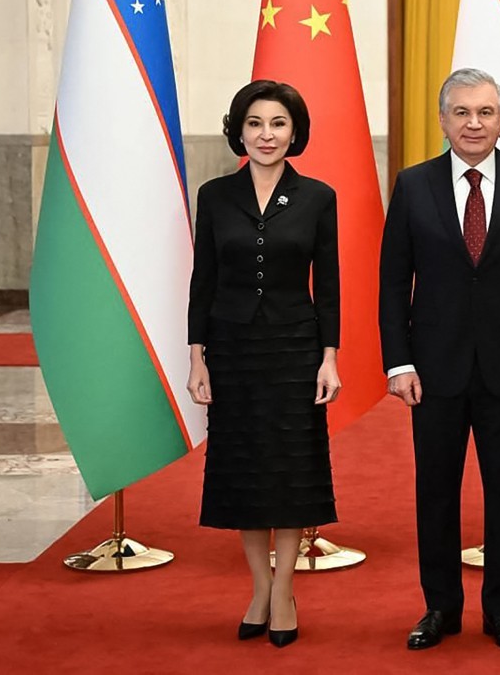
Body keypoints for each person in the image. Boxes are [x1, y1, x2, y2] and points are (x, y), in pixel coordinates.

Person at [379, 68, 500, 653]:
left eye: (484, 112)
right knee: (435, 491)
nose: (473, 123)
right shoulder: (413, 185)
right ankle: (439, 607)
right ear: (442, 120)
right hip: (432, 371)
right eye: (461, 112)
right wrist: (398, 363)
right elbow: (393, 284)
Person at [186, 80, 341, 648]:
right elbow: (203, 282)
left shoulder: (317, 197)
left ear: (294, 132)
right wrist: (198, 357)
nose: (266, 134)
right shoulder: (214, 195)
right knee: (244, 472)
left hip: (294, 350)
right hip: (231, 351)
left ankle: (283, 591)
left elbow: (328, 287)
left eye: (277, 124)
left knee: (291, 471)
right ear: (239, 130)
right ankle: (259, 587)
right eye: (255, 123)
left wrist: (330, 358)